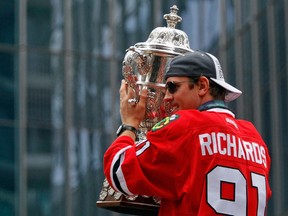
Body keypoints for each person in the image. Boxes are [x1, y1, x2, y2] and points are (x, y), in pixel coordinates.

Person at [103, 50, 272, 215]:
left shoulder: (186, 126)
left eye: (172, 87)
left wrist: (129, 124)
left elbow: (118, 171)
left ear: (202, 86)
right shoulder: (255, 139)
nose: (167, 97)